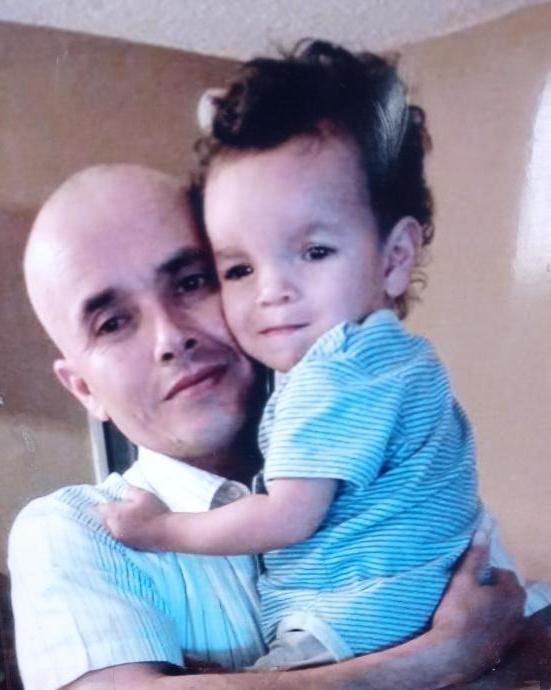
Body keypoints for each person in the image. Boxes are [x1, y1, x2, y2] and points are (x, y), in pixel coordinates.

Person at [9, 163, 543, 690]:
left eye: (193, 282)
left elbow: (521, 626)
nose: (170, 337)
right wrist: (443, 656)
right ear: (83, 388)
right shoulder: (74, 531)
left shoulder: (389, 452)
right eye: (112, 323)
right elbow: (489, 641)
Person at [100, 41, 482, 669]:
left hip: (353, 616)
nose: (272, 291)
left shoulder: (332, 373)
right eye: (239, 269)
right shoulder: (400, 358)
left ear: (394, 258)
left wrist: (160, 530)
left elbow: (287, 517)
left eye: (313, 252)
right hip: (423, 593)